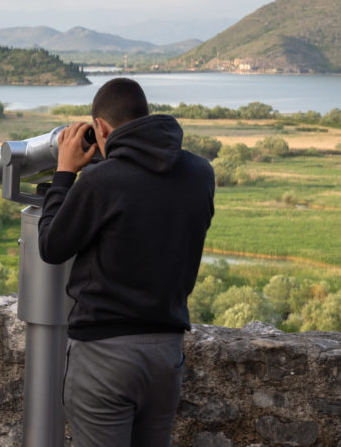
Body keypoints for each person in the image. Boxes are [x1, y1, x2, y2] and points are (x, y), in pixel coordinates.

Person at [38, 77, 214, 447]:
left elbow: (52, 246)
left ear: (100, 127)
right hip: (166, 356)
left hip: (105, 355)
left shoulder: (102, 181)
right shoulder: (201, 174)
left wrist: (66, 174)